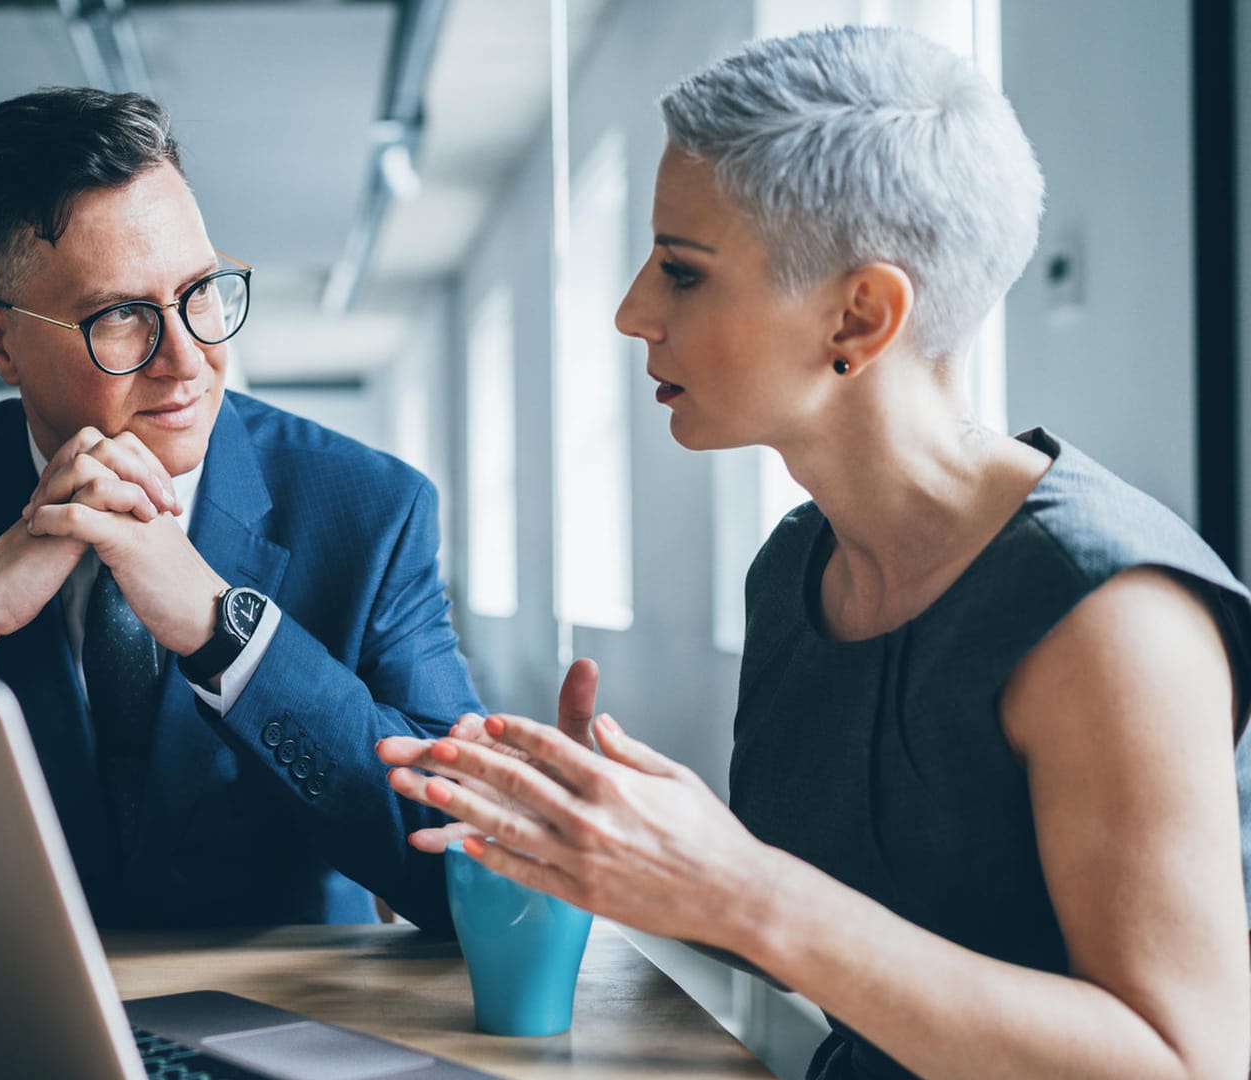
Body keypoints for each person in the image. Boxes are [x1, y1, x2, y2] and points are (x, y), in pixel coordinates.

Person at [380, 26, 1251, 1080]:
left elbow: (1185, 1064)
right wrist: (599, 834)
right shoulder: (798, 568)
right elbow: (838, 930)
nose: (631, 313)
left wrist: (737, 888)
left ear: (862, 313)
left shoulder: (1112, 619)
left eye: (682, 273)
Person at [0, 88, 481, 938]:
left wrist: (229, 635)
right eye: (121, 317)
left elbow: (463, 870)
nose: (189, 361)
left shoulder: (371, 510)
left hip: (286, 1036)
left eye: (202, 290)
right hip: (6, 1035)